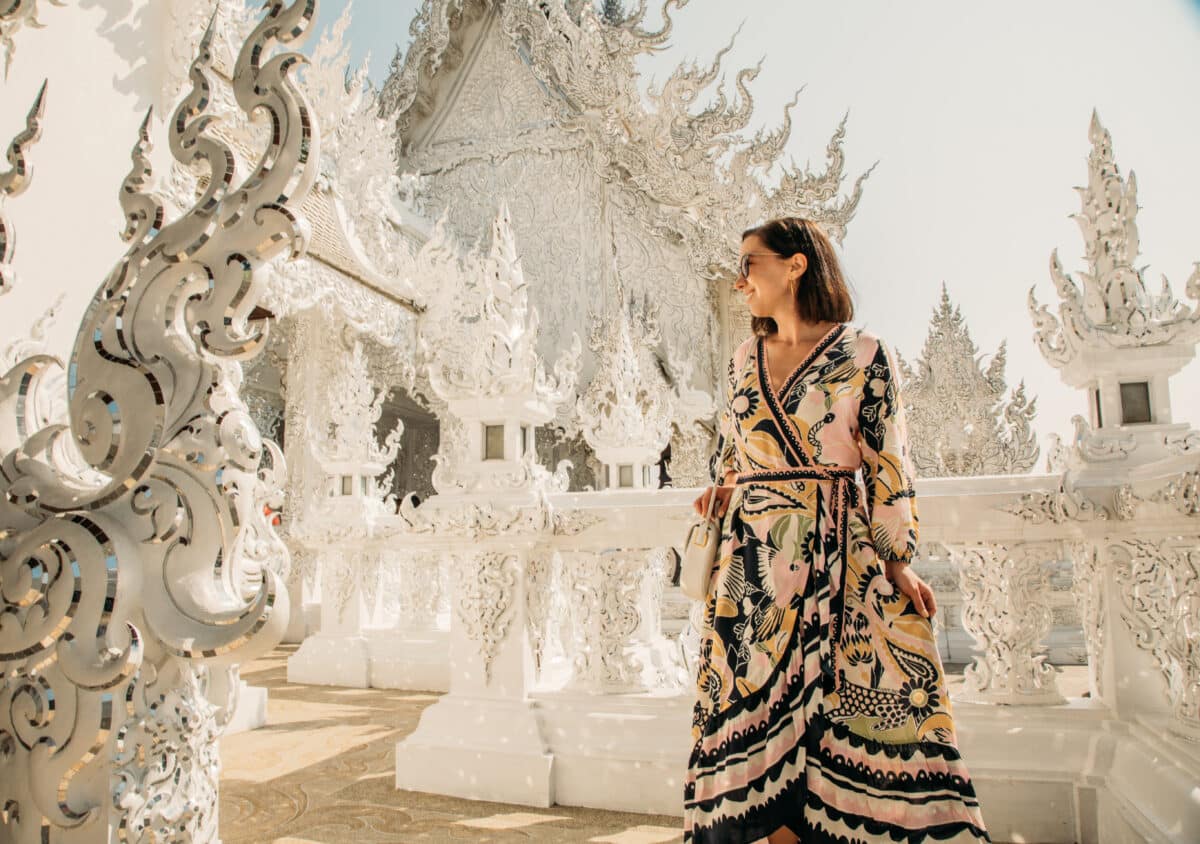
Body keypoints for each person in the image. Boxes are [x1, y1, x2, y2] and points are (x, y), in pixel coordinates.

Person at [684, 217, 990, 843]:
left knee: (847, 714)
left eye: (750, 263)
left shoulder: (866, 354)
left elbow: (887, 462)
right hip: (754, 568)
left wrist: (899, 559)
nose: (739, 279)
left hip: (838, 559)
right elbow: (732, 448)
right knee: (756, 732)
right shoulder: (744, 358)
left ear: (795, 266)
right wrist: (724, 485)